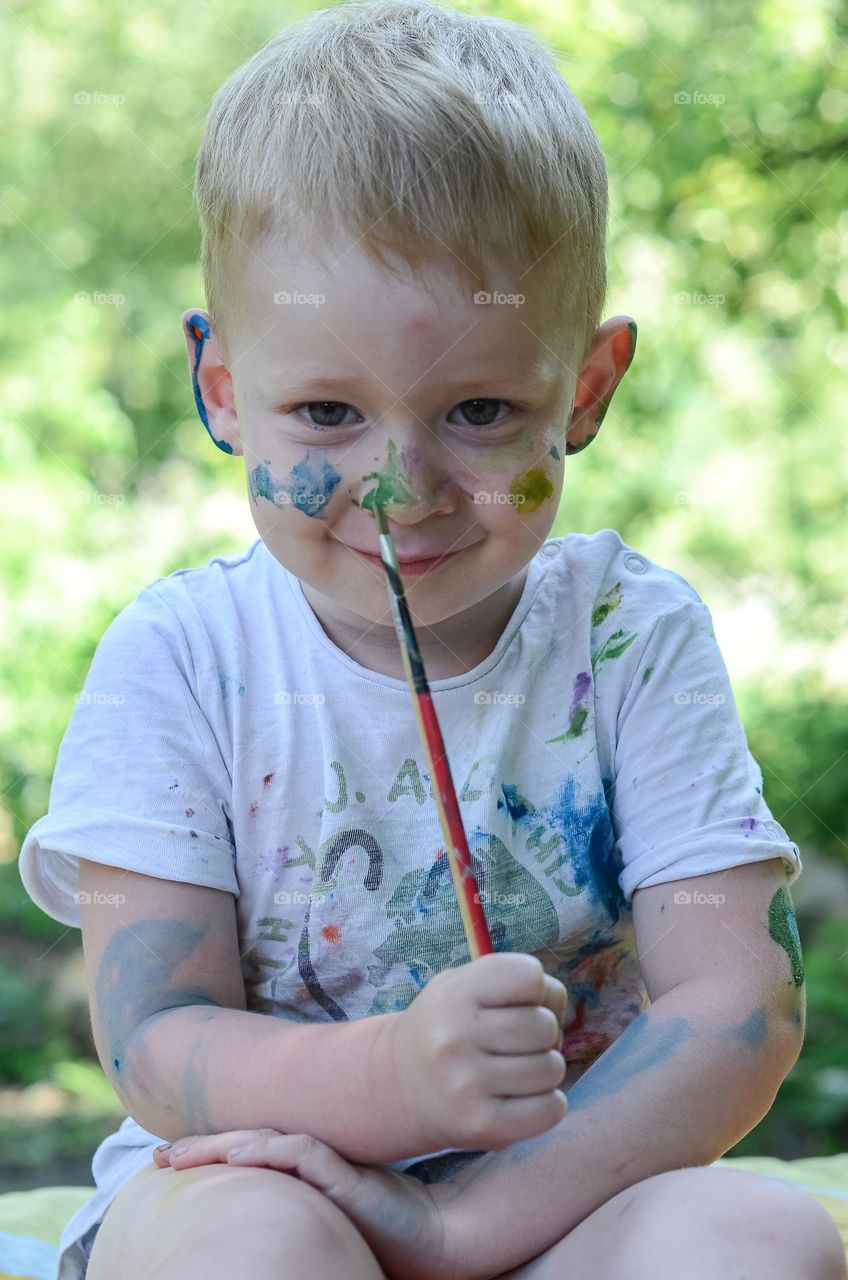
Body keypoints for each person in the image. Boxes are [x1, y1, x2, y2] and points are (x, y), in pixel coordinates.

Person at [19, 1, 846, 1277]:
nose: (399, 487)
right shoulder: (181, 657)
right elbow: (152, 1039)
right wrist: (390, 1072)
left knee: (758, 1232)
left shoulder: (628, 636)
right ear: (223, 391)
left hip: (558, 1202)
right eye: (326, 411)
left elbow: (737, 1000)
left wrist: (466, 1220)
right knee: (261, 1243)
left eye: (478, 409)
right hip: (253, 1186)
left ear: (584, 390)